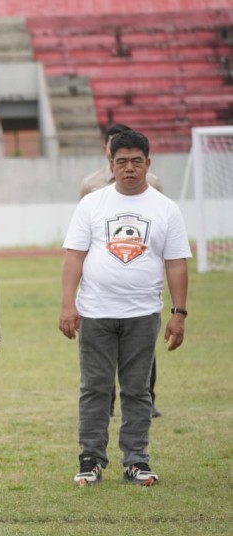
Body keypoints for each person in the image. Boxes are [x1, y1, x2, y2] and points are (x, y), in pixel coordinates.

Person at [61, 130, 190, 487]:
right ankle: (90, 460)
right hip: (95, 313)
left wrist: (179, 313)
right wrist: (67, 304)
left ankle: (136, 461)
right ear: (110, 164)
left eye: (137, 161)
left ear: (148, 164)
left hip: (143, 314)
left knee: (137, 390)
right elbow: (74, 256)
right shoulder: (92, 204)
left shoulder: (166, 208)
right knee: (95, 388)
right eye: (122, 162)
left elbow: (176, 263)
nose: (129, 168)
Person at [80, 123, 164, 418]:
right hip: (102, 291)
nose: (128, 165)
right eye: (116, 148)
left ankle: (147, 400)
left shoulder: (152, 182)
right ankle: (107, 404)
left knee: (142, 353)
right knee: (100, 361)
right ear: (107, 150)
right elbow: (82, 238)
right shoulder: (90, 186)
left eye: (134, 157)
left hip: (140, 287)